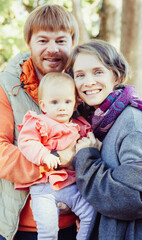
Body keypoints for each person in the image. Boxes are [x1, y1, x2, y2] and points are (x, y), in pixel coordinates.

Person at [65, 39, 142, 239]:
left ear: (116, 75)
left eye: (98, 72)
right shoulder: (101, 121)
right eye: (80, 75)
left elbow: (136, 197)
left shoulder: (133, 125)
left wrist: (86, 160)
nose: (88, 82)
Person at [0, 4, 80, 240]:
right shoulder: (8, 86)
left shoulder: (83, 84)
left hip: (72, 221)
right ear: (29, 43)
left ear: (72, 43)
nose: (52, 50)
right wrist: (54, 161)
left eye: (61, 41)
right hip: (20, 226)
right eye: (43, 40)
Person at [16, 72, 95, 240]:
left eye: (67, 102)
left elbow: (89, 143)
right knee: (48, 229)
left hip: (72, 186)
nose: (62, 107)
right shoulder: (39, 122)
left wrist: (90, 144)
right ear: (43, 106)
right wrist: (45, 155)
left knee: (90, 213)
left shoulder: (79, 125)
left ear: (74, 105)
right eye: (55, 102)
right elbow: (26, 141)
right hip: (45, 188)